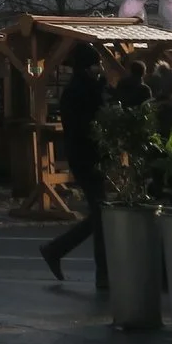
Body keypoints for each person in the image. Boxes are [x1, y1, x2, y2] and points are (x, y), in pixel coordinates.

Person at [39, 43, 111, 287]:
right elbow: (89, 124)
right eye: (96, 65)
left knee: (102, 213)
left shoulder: (78, 89)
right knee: (102, 213)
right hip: (88, 156)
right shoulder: (84, 90)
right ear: (88, 66)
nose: (99, 69)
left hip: (82, 156)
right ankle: (103, 273)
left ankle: (57, 249)